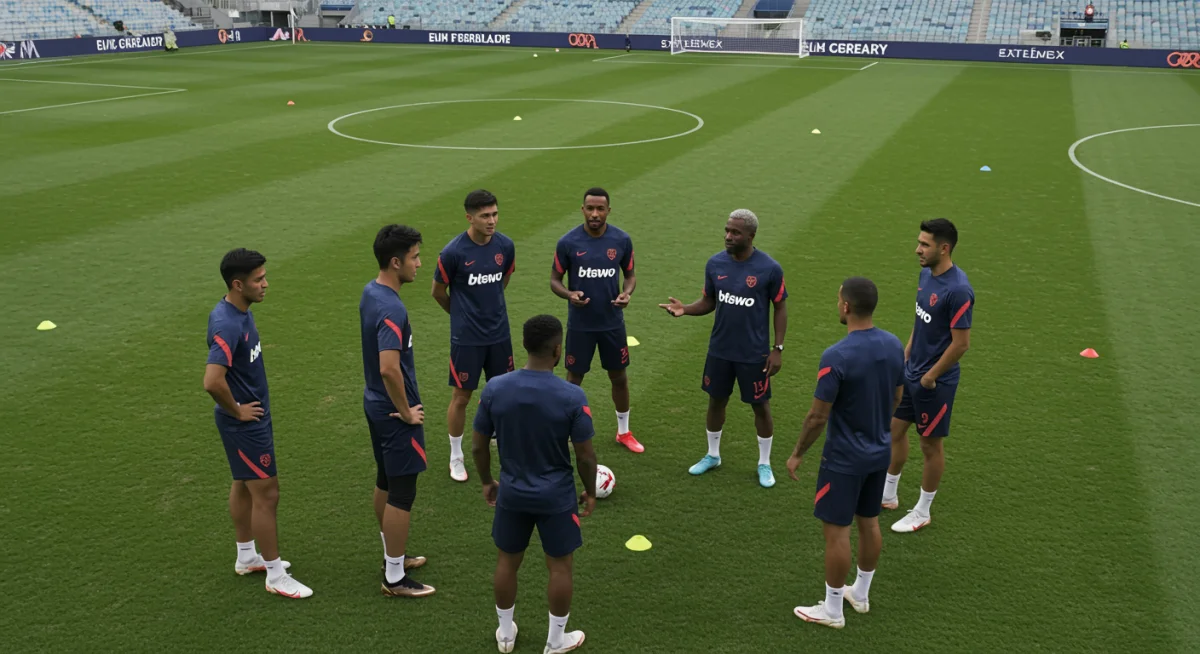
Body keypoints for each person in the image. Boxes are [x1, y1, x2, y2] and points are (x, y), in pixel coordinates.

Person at [472, 315, 597, 654]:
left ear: (524, 345)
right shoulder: (571, 395)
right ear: (558, 349)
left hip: (512, 492)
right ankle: (556, 640)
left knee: (506, 562)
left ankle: (505, 634)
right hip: (556, 497)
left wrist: (487, 481)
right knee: (559, 566)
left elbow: (479, 445)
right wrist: (590, 491)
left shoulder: (496, 388)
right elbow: (585, 457)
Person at [786, 278, 904, 629]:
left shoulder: (836, 355)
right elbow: (898, 395)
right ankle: (861, 594)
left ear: (846, 307)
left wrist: (797, 453)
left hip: (843, 460)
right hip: (879, 452)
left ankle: (833, 609)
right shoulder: (894, 344)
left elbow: (817, 415)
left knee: (837, 531)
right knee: (868, 522)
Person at [203, 248, 312, 599]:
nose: (266, 284)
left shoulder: (238, 310)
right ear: (238, 284)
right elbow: (211, 380)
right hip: (245, 424)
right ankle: (275, 575)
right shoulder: (227, 323)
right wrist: (237, 410)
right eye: (258, 280)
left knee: (243, 483)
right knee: (268, 494)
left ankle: (247, 555)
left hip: (249, 420)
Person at [659, 209, 787, 488]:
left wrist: (777, 348)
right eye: (727, 230)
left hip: (754, 353)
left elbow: (780, 307)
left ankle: (764, 463)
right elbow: (709, 302)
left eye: (735, 232)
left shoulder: (769, 268)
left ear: (751, 236)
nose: (728, 236)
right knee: (716, 400)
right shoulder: (715, 264)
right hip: (720, 349)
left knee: (760, 406)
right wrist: (686, 309)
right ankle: (712, 455)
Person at [882, 218, 974, 533]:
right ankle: (888, 494)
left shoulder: (959, 290)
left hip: (935, 382)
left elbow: (961, 344)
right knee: (894, 431)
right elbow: (921, 321)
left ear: (944, 248)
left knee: (930, 446)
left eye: (924, 244)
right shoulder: (925, 275)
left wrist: (930, 377)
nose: (917, 249)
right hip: (912, 371)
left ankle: (922, 510)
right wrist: (907, 354)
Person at [361, 224, 436, 597]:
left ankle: (394, 554)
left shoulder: (371, 292)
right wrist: (406, 411)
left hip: (374, 402)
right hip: (393, 412)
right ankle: (394, 577)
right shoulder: (392, 307)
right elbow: (389, 366)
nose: (420, 264)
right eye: (415, 257)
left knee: (386, 480)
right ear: (395, 261)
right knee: (402, 491)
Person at [433, 189, 517, 482]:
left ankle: (500, 438)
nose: (492, 221)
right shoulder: (453, 252)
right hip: (467, 339)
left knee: (501, 392)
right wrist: (461, 317)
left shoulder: (505, 246)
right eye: (485, 216)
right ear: (470, 217)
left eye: (494, 214)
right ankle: (456, 456)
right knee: (461, 396)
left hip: (499, 335)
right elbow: (438, 292)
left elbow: (503, 279)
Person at [551, 188, 641, 453]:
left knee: (619, 377)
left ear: (608, 211)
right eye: (590, 208)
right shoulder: (568, 243)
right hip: (581, 324)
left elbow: (631, 275)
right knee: (574, 379)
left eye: (600, 209)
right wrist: (569, 294)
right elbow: (555, 280)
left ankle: (624, 432)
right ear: (582, 209)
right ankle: (563, 430)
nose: (594, 214)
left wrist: (627, 293)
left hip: (612, 322)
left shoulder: (621, 240)